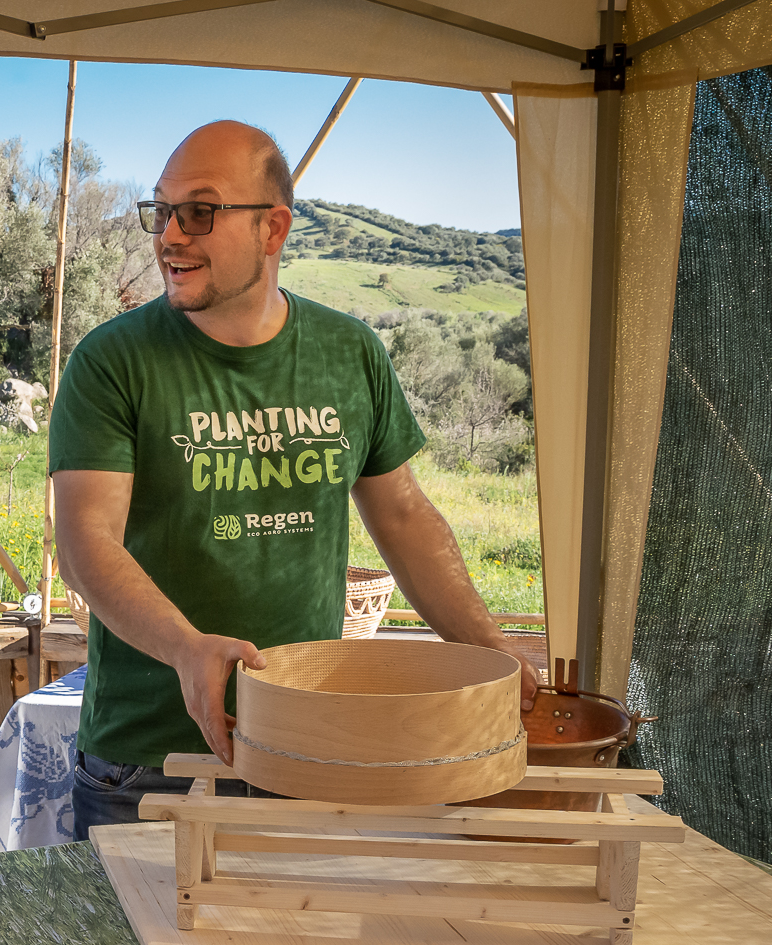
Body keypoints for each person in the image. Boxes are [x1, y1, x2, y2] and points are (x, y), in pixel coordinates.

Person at [49, 121, 539, 838]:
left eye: (200, 211)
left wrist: (492, 647)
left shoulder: (350, 353)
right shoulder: (112, 362)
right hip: (149, 763)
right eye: (161, 211)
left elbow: (402, 517)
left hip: (312, 749)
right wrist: (190, 649)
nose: (169, 236)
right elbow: (87, 542)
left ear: (273, 228)